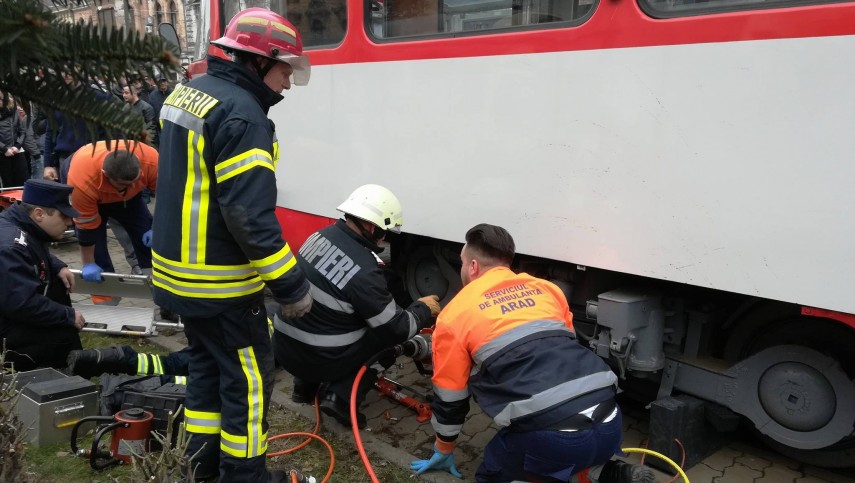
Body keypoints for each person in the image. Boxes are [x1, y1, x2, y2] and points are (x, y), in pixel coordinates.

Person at [150, 8, 313, 482]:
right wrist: (291, 286)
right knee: (249, 385)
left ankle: (200, 469)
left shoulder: (190, 92)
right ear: (259, 61)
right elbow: (249, 217)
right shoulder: (244, 116)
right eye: (285, 69)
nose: (287, 83)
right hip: (221, 287)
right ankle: (245, 477)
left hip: (179, 276)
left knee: (206, 372)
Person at [410, 224, 654, 483]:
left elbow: (451, 396)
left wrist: (444, 449)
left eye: (461, 262)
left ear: (472, 266)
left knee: (494, 472)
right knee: (565, 453)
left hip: (555, 438)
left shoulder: (454, 314)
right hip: (610, 421)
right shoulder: (547, 289)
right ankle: (607, 471)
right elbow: (561, 349)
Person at [273, 184, 441, 428]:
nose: (384, 238)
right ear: (372, 227)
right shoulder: (364, 270)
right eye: (384, 232)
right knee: (387, 341)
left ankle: (304, 388)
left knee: (327, 318)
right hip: (318, 360)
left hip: (285, 348)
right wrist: (423, 308)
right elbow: (397, 328)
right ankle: (340, 398)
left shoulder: (319, 236)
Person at [0, 179, 85, 370]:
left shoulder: (19, 223)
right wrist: (67, 315)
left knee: (58, 290)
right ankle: (62, 375)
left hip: (10, 312)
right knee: (63, 332)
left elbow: (34, 247)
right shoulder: (10, 247)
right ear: (39, 214)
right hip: (7, 331)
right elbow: (21, 304)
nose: (69, 222)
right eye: (64, 216)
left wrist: (57, 266)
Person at [66, 140, 157, 303]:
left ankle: (157, 289)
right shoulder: (81, 182)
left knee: (146, 235)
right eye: (124, 185)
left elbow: (168, 199)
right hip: (92, 191)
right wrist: (88, 263)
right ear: (106, 174)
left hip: (131, 200)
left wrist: (158, 227)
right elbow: (85, 228)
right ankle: (106, 299)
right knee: (97, 249)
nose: (131, 186)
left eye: (135, 181)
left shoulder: (152, 161)